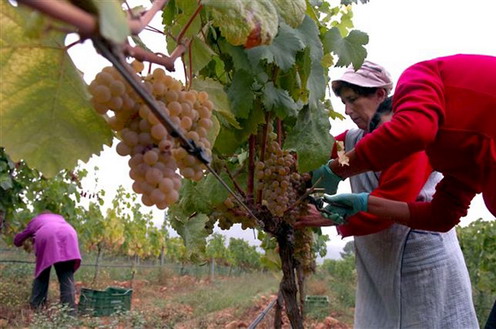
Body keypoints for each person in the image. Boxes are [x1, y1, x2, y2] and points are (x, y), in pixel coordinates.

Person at [297, 61, 478, 328]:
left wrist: (327, 216)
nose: (347, 110)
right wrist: (295, 169)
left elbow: (393, 201)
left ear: (380, 94)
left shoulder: (408, 137)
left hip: (420, 259)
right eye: (344, 103)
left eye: (353, 100)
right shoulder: (351, 141)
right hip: (380, 261)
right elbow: (321, 156)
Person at [309, 54, 496, 231]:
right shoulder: (461, 156)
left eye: (352, 99)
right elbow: (442, 216)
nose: (347, 111)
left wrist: (336, 171)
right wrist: (364, 203)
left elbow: (410, 132)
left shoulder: (420, 77)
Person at [14, 210, 82, 314]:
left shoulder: (37, 220)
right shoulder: (60, 218)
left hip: (48, 234)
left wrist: (16, 240)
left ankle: (37, 307)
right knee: (66, 275)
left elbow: (19, 239)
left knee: (42, 272)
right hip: (69, 234)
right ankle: (69, 312)